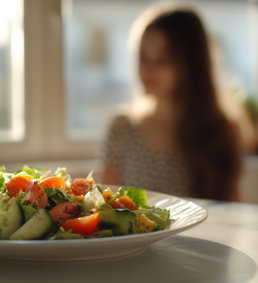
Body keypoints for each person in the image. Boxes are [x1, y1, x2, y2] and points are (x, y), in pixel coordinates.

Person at [102, 5, 251, 201]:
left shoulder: (223, 130)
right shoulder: (122, 128)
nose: (149, 69)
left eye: (162, 59)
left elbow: (229, 211)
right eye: (144, 57)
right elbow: (107, 208)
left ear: (191, 63)